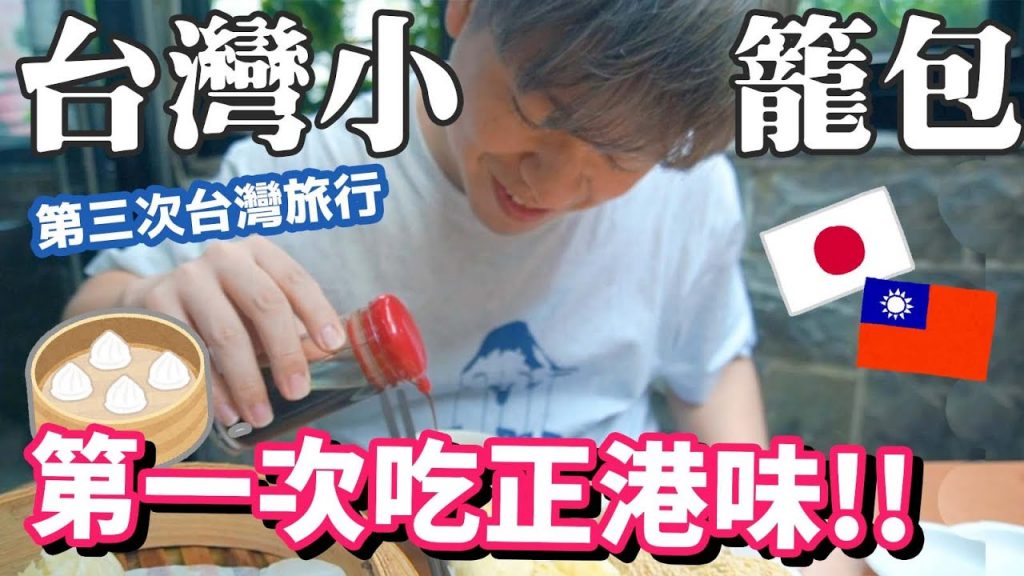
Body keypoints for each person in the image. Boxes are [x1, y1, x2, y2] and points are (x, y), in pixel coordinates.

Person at [66, 2, 860, 572]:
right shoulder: (299, 170)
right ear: (465, 9)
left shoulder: (689, 191)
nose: (553, 184)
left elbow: (709, 370)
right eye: (541, 113)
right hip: (346, 544)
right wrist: (143, 312)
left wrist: (767, 538)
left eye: (622, 157)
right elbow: (91, 327)